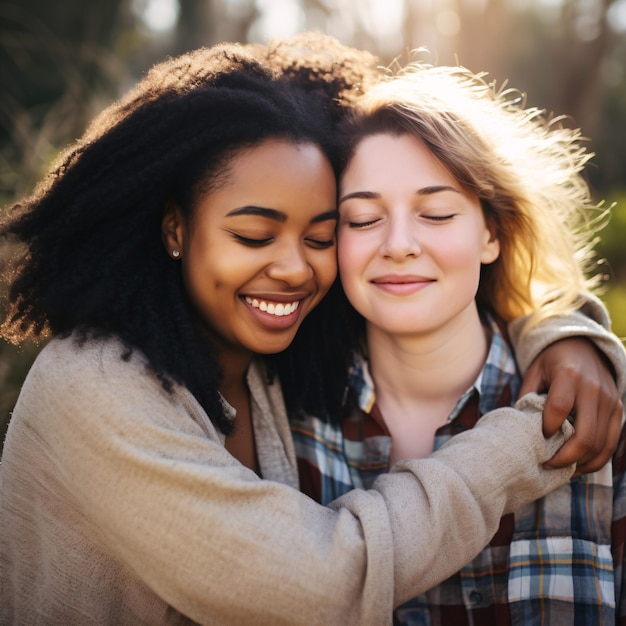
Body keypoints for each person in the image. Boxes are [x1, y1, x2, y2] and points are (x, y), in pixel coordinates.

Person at [0, 34, 621, 626]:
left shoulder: (277, 366)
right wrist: (523, 438)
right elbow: (320, 589)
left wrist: (568, 335)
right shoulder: (99, 384)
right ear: (175, 230)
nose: (297, 268)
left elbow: (448, 296)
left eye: (321, 237)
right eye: (252, 235)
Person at [287, 58, 626, 625]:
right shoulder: (287, 422)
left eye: (436, 213)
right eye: (364, 219)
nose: (398, 244)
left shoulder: (596, 406)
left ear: (490, 233)